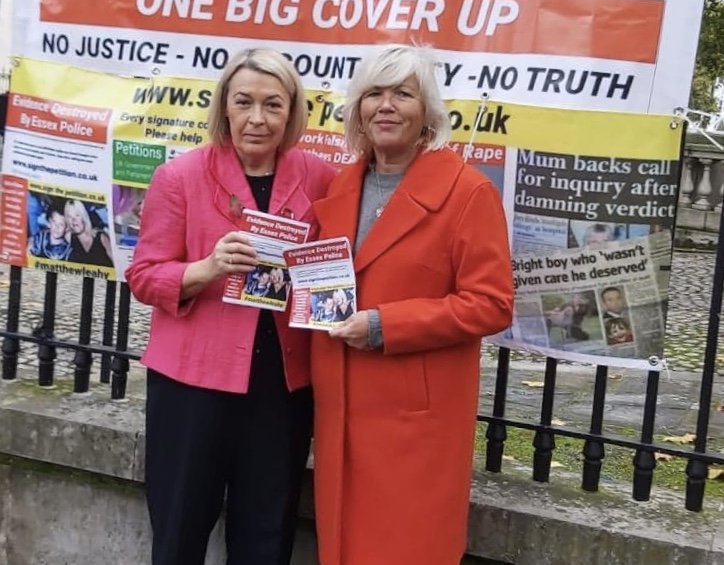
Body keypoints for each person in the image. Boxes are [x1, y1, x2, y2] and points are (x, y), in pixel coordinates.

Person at [125, 47, 335, 565]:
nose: (257, 119)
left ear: (292, 112)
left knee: (266, 536)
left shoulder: (320, 177)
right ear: (224, 107)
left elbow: (336, 266)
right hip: (191, 385)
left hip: (281, 388)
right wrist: (206, 268)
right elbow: (144, 276)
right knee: (179, 529)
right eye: (244, 102)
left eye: (273, 105)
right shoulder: (180, 176)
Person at [310, 44, 514, 565]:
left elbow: (491, 305)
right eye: (373, 93)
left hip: (413, 426)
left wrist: (384, 324)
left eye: (403, 94)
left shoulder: (468, 193)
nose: (386, 106)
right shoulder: (341, 183)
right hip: (341, 408)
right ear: (357, 109)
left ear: (427, 113)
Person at [64, 199, 114, 267]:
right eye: (70, 216)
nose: (74, 220)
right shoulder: (69, 237)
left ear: (83, 216)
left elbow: (115, 262)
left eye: (77, 215)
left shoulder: (100, 237)